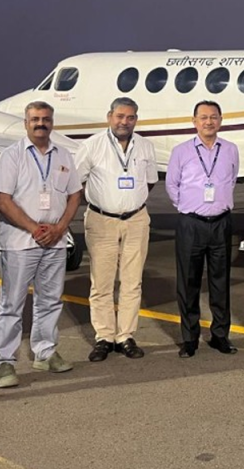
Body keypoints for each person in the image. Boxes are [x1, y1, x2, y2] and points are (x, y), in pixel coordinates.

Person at [0, 101, 82, 388]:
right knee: (12, 303)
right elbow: (2, 200)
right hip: (20, 242)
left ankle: (45, 353)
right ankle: (5, 362)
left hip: (55, 242)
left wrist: (60, 228)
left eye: (46, 119)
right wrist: (34, 228)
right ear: (26, 123)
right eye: (35, 119)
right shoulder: (11, 155)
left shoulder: (63, 155)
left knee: (50, 300)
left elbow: (75, 195)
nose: (41, 123)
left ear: (52, 122)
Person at [76, 97, 158, 361]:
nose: (125, 122)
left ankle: (125, 336)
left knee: (132, 282)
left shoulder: (145, 146)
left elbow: (150, 182)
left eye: (130, 117)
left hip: (136, 220)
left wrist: (130, 202)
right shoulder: (91, 146)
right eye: (120, 116)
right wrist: (105, 201)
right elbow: (75, 182)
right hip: (102, 221)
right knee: (101, 282)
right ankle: (104, 337)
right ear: (109, 117)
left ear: (136, 119)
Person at [166, 101, 240, 358]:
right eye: (204, 117)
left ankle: (220, 335)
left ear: (221, 120)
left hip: (221, 223)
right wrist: (189, 207)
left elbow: (231, 180)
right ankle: (190, 338)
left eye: (214, 117)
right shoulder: (181, 151)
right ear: (194, 121)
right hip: (191, 223)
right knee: (188, 283)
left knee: (221, 282)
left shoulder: (230, 149)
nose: (209, 122)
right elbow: (172, 185)